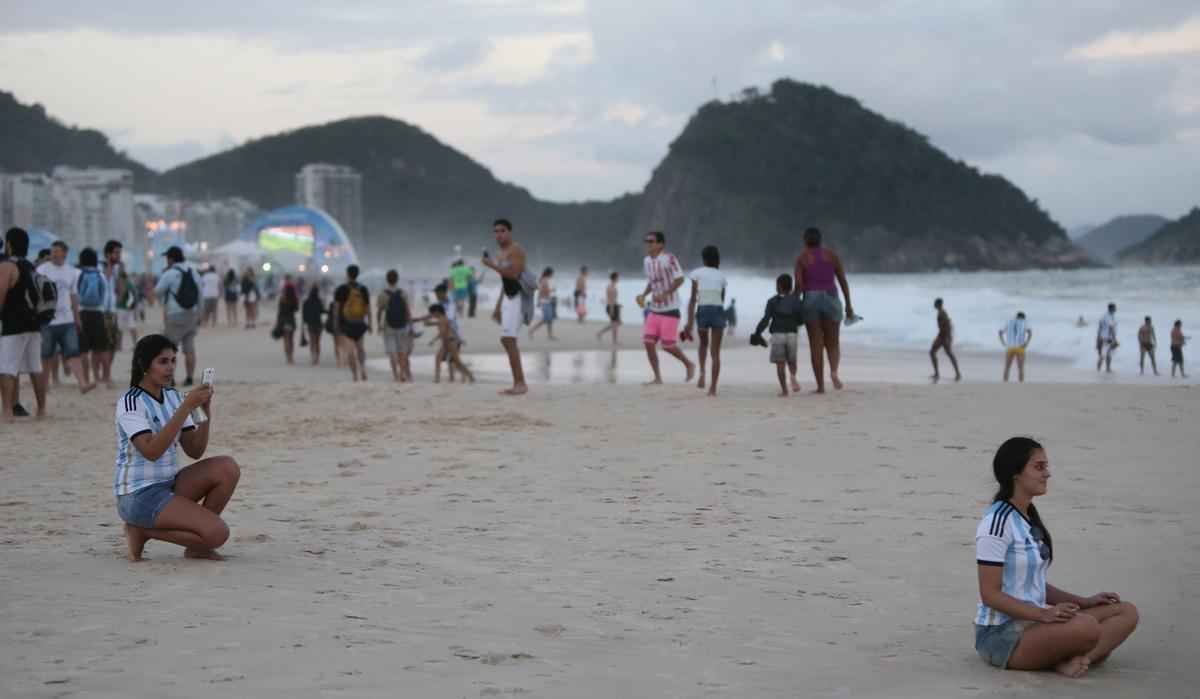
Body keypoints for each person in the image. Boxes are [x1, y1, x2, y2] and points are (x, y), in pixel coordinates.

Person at [974, 437, 1138, 677]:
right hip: (1000, 636)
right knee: (1087, 628)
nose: (1047, 474)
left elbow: (1033, 582)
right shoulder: (996, 523)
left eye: (1046, 467)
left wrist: (1085, 601)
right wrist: (1043, 614)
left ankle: (1079, 660)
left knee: (1125, 612)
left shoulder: (1027, 516)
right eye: (1039, 467)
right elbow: (989, 594)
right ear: (1016, 474)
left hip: (1036, 624)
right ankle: (1064, 659)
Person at [115, 334, 241, 561]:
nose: (170, 368)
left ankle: (196, 544)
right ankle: (141, 530)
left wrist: (205, 410)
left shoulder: (173, 396)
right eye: (163, 362)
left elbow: (195, 450)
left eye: (173, 361)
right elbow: (151, 452)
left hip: (169, 485)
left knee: (227, 467)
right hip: (138, 494)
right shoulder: (131, 401)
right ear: (144, 364)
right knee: (218, 533)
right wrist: (185, 408)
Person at [795, 227, 853, 393]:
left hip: (811, 298)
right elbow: (842, 280)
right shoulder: (832, 256)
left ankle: (820, 386)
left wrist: (792, 304)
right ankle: (834, 372)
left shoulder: (802, 258)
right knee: (833, 342)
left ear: (805, 241)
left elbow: (799, 285)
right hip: (831, 297)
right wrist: (849, 305)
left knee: (816, 344)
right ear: (820, 240)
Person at [0, 227, 50, 420]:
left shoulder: (7, 266)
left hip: (13, 325)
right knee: (35, 368)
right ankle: (42, 409)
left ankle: (7, 411)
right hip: (34, 324)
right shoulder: (30, 266)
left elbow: (2, 293)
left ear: (9, 245)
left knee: (7, 368)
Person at [35, 240, 95, 396]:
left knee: (73, 353)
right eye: (52, 251)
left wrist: (77, 318)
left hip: (67, 320)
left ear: (65, 253)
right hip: (47, 320)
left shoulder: (72, 272)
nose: (53, 254)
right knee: (46, 355)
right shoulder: (42, 269)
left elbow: (74, 296)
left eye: (56, 251)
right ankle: (45, 385)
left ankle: (82, 383)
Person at [636, 231, 695, 385]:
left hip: (671, 309)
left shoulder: (669, 259)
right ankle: (657, 377)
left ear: (661, 244)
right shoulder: (646, 261)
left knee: (668, 346)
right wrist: (643, 294)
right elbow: (652, 281)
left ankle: (688, 364)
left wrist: (665, 293)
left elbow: (680, 279)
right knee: (648, 342)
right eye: (647, 241)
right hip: (654, 309)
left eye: (651, 241)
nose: (648, 244)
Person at [481, 218, 528, 396]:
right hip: (508, 297)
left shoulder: (516, 250)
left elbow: (514, 274)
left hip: (518, 297)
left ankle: (520, 383)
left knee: (509, 339)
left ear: (509, 232)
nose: (498, 234)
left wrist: (491, 265)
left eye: (502, 231)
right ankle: (518, 382)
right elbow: (505, 281)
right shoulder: (501, 252)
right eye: (496, 231)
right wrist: (498, 305)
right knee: (506, 339)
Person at [154, 246, 203, 386]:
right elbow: (200, 295)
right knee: (189, 348)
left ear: (171, 259)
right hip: (191, 314)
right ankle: (189, 378)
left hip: (175, 315)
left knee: (169, 349)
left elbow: (157, 292)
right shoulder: (193, 272)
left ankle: (171, 379)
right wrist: (200, 314)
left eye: (167, 258)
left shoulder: (170, 273)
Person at [683, 245, 727, 396]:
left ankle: (702, 373)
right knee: (715, 352)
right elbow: (722, 299)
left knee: (703, 344)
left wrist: (689, 323)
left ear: (703, 259)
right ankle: (713, 388)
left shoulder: (696, 273)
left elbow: (693, 299)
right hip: (717, 310)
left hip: (703, 310)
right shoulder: (722, 276)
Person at [752, 273, 805, 397]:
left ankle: (784, 390)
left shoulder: (772, 302)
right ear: (790, 287)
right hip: (792, 334)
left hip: (777, 335)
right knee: (792, 361)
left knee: (780, 364)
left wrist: (757, 332)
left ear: (779, 286)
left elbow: (766, 320)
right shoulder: (796, 300)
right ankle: (792, 376)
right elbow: (802, 319)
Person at [77, 247, 114, 388]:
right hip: (98, 313)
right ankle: (106, 378)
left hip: (83, 313)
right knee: (102, 348)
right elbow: (105, 294)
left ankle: (86, 379)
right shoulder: (101, 275)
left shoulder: (78, 274)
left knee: (83, 350)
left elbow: (75, 295)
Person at [333, 264, 371, 382]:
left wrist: (336, 324)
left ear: (347, 274)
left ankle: (355, 375)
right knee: (360, 348)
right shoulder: (363, 289)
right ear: (357, 274)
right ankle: (363, 368)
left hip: (346, 323)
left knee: (350, 351)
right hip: (360, 323)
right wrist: (370, 324)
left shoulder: (341, 289)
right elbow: (367, 308)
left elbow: (336, 309)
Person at [377, 269, 414, 382]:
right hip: (402, 325)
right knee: (402, 351)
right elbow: (407, 311)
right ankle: (403, 373)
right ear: (397, 279)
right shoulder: (403, 293)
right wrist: (411, 325)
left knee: (392, 352)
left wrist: (379, 324)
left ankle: (395, 375)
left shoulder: (383, 294)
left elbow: (380, 311)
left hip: (389, 326)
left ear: (387, 280)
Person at [423, 303, 474, 384]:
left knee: (457, 362)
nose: (432, 315)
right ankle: (437, 379)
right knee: (439, 358)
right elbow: (426, 324)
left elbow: (443, 332)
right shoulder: (441, 319)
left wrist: (433, 340)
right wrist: (427, 317)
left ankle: (470, 376)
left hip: (450, 342)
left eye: (433, 313)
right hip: (447, 342)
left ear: (437, 312)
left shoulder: (443, 319)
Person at [101, 240, 123, 381]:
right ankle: (104, 375)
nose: (119, 256)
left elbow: (120, 291)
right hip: (102, 311)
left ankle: (106, 373)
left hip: (113, 311)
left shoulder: (117, 269)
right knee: (104, 344)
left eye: (119, 253)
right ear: (108, 254)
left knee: (114, 343)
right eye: (116, 253)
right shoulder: (99, 267)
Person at [930, 298, 962, 383]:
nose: (934, 305)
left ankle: (958, 374)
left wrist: (948, 338)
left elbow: (948, 325)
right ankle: (937, 373)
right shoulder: (941, 313)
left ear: (938, 304)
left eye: (935, 303)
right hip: (942, 335)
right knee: (932, 352)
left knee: (949, 354)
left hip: (944, 337)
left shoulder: (943, 313)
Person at [999, 311, 1032, 383]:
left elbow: (1000, 332)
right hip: (1020, 347)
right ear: (1023, 317)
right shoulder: (1024, 322)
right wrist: (1026, 343)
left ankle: (1005, 382)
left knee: (1007, 367)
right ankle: (1021, 383)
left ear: (1016, 316)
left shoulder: (1009, 322)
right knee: (1020, 368)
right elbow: (1030, 332)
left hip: (1010, 347)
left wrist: (1003, 342)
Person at [272, 276, 299, 364]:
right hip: (290, 320)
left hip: (283, 320)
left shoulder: (282, 299)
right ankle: (291, 357)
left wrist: (277, 322)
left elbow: (279, 311)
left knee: (286, 339)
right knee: (291, 339)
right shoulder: (294, 299)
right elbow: (296, 309)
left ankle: (288, 357)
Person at [114, 267, 140, 351]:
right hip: (129, 309)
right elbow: (135, 296)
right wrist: (133, 306)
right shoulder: (130, 283)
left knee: (119, 328)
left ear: (121, 277)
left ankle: (119, 346)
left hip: (121, 308)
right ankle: (136, 344)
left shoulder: (122, 283)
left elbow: (120, 296)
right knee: (132, 326)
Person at [528, 267, 557, 340]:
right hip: (545, 301)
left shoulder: (545, 280)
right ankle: (532, 330)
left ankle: (550, 335)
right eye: (552, 273)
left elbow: (541, 291)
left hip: (547, 301)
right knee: (546, 319)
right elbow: (543, 291)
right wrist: (552, 290)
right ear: (549, 273)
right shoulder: (544, 280)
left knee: (549, 319)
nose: (553, 275)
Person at [302, 284, 327, 366]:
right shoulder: (319, 301)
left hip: (310, 324)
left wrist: (305, 322)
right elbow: (322, 311)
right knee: (317, 342)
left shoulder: (306, 302)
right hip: (318, 324)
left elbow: (304, 314)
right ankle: (317, 358)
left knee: (312, 341)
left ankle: (313, 357)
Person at [596, 272, 622, 345]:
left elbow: (613, 298)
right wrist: (611, 308)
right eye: (618, 277)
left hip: (615, 306)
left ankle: (600, 333)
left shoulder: (613, 286)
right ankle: (613, 339)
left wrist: (617, 304)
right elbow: (610, 299)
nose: (618, 279)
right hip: (612, 306)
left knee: (616, 323)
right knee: (615, 324)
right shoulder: (610, 287)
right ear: (615, 278)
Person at [1096, 303, 1118, 373]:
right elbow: (1111, 328)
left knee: (1107, 354)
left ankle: (1105, 369)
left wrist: (1098, 337)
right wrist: (1114, 339)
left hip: (1103, 337)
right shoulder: (1108, 317)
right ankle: (1102, 369)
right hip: (1107, 338)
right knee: (1104, 355)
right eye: (1115, 308)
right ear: (1111, 308)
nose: (1116, 309)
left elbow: (1100, 327)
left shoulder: (1105, 316)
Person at [200, 263, 221, 328]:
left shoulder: (205, 276)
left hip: (206, 294)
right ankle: (214, 323)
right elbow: (219, 285)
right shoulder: (217, 276)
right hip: (215, 294)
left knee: (206, 310)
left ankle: (205, 322)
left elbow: (202, 284)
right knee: (214, 310)